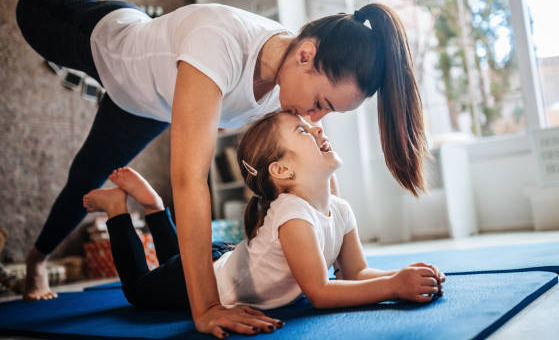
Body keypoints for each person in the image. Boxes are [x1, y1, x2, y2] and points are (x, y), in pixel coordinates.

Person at [16, 0, 427, 337]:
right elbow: (189, 180)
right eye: (321, 103)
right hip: (109, 44)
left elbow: (320, 183)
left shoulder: (292, 84)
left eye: (328, 111)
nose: (317, 118)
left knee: (83, 180)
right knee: (29, 12)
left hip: (144, 106)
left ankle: (35, 262)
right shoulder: (219, 44)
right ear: (306, 55)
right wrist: (208, 307)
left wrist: (340, 250)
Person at [82, 112, 444, 338]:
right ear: (281, 171)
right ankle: (118, 211)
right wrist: (395, 287)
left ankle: (154, 208)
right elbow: (320, 292)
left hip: (223, 260)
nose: (317, 130)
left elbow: (356, 272)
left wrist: (400, 275)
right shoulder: (292, 212)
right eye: (303, 131)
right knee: (138, 290)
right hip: (212, 282)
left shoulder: (340, 209)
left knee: (177, 259)